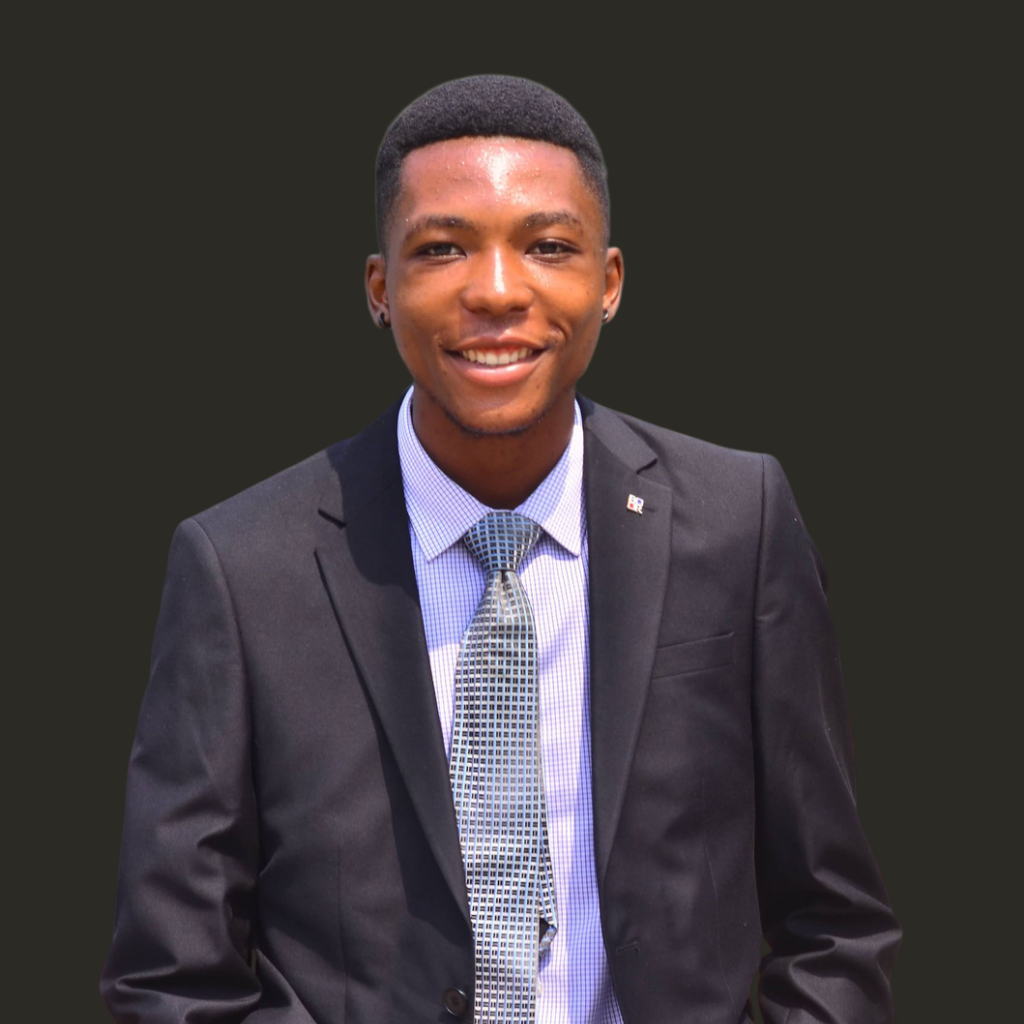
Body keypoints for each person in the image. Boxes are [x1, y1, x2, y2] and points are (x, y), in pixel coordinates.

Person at [101, 75, 900, 1024]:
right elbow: (172, 976)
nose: (495, 290)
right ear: (380, 290)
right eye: (442, 249)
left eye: (548, 246)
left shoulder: (738, 523)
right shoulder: (240, 568)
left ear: (609, 282)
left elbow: (834, 925)